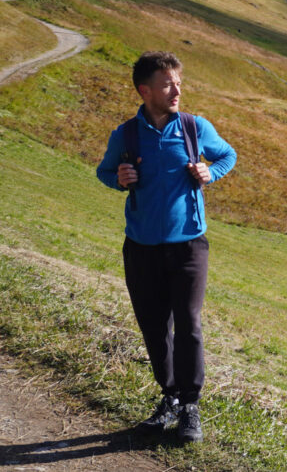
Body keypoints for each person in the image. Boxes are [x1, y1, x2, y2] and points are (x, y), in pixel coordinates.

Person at [96, 51, 236, 443]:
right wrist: (119, 178)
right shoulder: (125, 135)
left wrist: (212, 171)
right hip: (140, 247)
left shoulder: (194, 127)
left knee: (188, 323)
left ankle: (191, 406)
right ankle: (169, 397)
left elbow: (227, 155)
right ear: (145, 90)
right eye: (167, 84)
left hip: (189, 244)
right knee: (155, 328)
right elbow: (104, 171)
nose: (176, 90)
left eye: (179, 83)